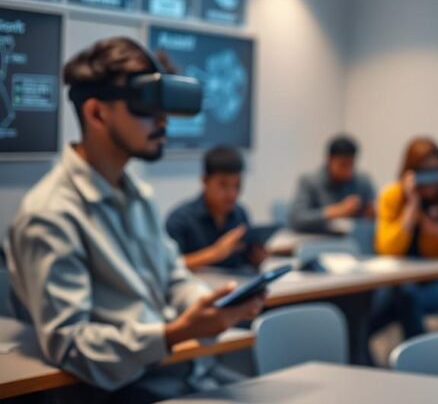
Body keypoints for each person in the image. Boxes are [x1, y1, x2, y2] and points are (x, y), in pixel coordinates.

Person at [4, 38, 264, 402]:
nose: (162, 121)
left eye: (163, 108)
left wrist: (212, 306)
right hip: (122, 391)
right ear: (96, 114)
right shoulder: (50, 214)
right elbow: (71, 345)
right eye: (145, 107)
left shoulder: (138, 196)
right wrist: (173, 333)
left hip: (183, 374)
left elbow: (173, 278)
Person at [371, 137, 438, 340]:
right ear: (409, 173)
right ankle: (407, 358)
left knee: (404, 300)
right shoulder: (392, 196)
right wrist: (410, 209)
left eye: (436, 172)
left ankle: (414, 360)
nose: (431, 181)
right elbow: (386, 248)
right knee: (375, 305)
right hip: (397, 281)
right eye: (424, 173)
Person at [166, 146, 267, 271]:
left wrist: (259, 257)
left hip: (238, 284)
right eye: (223, 185)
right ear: (205, 181)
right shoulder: (180, 219)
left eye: (237, 185)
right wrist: (215, 253)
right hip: (199, 288)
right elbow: (169, 266)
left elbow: (249, 258)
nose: (232, 194)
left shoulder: (240, 213)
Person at [288, 135, 376, 232]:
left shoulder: (363, 181)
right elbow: (296, 219)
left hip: (353, 240)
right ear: (328, 160)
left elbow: (373, 213)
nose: (348, 171)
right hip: (320, 240)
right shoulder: (308, 181)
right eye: (343, 165)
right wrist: (335, 211)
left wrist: (373, 213)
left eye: (351, 165)